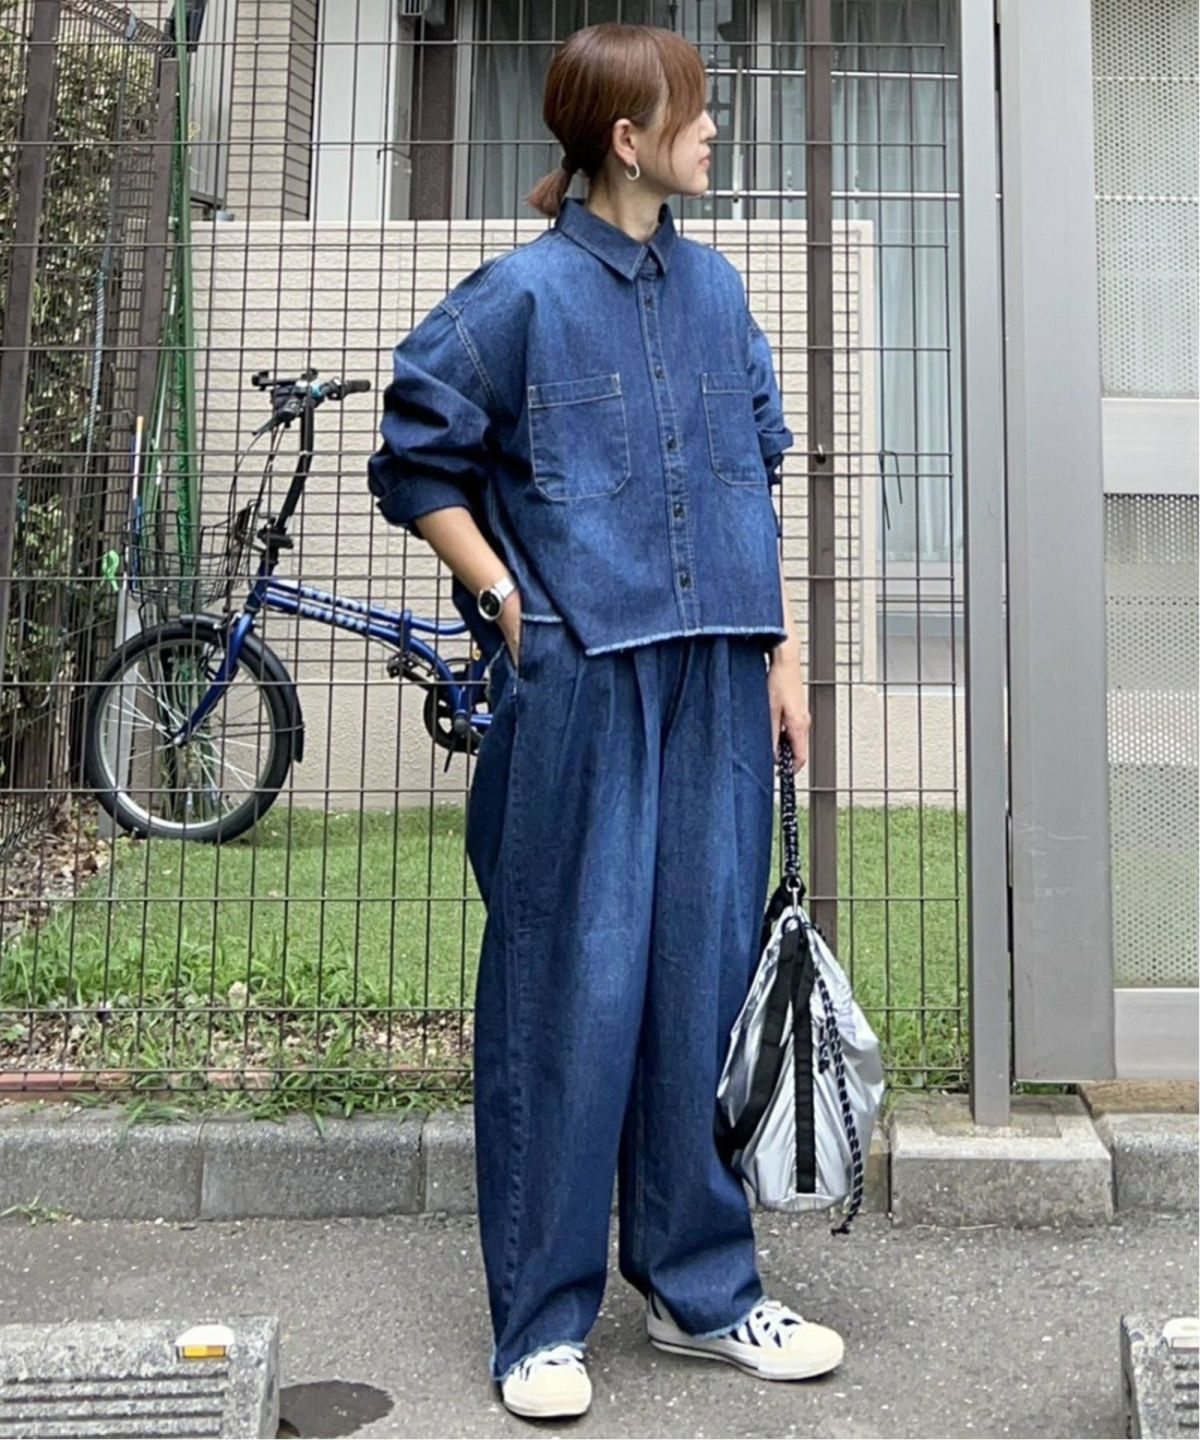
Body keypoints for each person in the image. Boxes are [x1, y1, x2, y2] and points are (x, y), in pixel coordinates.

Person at [367, 21, 844, 1423]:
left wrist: (782, 655)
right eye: (693, 113)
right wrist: (505, 597)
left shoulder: (719, 291)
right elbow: (415, 455)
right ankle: (540, 1323)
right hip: (584, 690)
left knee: (702, 979)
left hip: (718, 685)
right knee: (568, 992)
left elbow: (755, 471)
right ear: (627, 141)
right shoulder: (518, 297)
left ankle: (703, 1291)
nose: (715, 130)